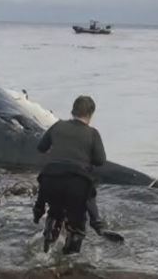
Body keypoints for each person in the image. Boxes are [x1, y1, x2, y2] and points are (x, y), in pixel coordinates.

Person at [33, 95, 107, 254]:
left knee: (55, 209)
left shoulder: (57, 126)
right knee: (77, 226)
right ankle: (69, 262)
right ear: (91, 114)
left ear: (72, 111)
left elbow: (41, 147)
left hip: (49, 180)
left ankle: (47, 246)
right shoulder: (92, 133)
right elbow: (100, 160)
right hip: (76, 184)